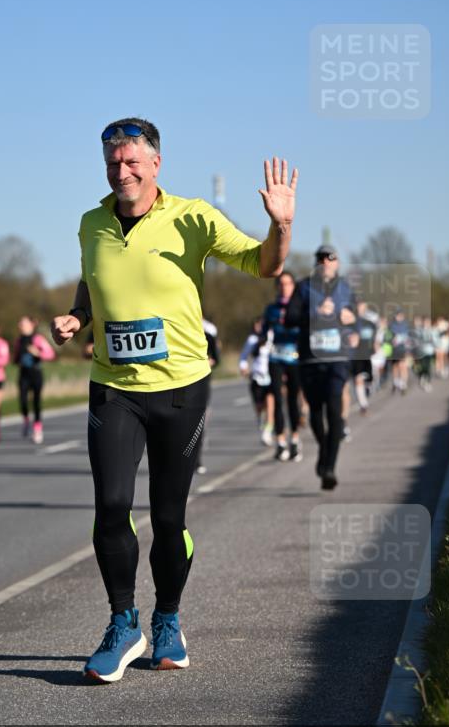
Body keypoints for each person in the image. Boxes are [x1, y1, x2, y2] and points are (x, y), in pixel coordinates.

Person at [51, 118, 298, 682]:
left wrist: (280, 226)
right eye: (114, 162)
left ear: (156, 164)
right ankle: (123, 623)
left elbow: (266, 264)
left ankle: (167, 619)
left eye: (133, 161)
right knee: (112, 506)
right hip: (113, 386)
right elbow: (94, 281)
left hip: (181, 388)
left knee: (167, 516)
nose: (123, 171)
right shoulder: (91, 223)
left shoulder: (193, 216)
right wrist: (78, 316)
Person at [285, 244, 357, 490]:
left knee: (335, 409)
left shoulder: (345, 288)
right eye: (321, 258)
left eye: (330, 258)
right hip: (310, 358)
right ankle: (324, 448)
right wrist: (313, 313)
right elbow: (289, 318)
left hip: (337, 359)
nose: (326, 262)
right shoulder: (304, 287)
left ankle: (329, 468)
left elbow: (354, 315)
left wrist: (352, 320)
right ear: (316, 262)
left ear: (337, 263)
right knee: (316, 409)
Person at [262, 272, 302, 461]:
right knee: (277, 399)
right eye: (282, 284)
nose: (285, 287)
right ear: (277, 287)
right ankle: (280, 441)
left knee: (293, 400)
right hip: (276, 358)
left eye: (288, 284)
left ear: (293, 287)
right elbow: (263, 333)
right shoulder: (271, 309)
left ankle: (294, 439)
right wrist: (262, 341)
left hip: (295, 358)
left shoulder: (300, 308)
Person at [13, 315, 56, 444]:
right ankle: (26, 420)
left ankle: (37, 429)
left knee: (36, 401)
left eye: (23, 323)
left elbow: (50, 354)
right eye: (20, 323)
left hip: (36, 373)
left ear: (32, 325)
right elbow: (15, 358)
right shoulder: (18, 340)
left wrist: (37, 353)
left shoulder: (37, 339)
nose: (21, 325)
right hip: (23, 374)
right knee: (23, 401)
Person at [239, 317, 274, 443]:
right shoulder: (252, 340)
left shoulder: (272, 337)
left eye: (261, 325)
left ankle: (267, 432)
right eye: (256, 325)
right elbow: (243, 356)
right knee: (259, 406)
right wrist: (244, 368)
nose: (258, 328)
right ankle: (261, 422)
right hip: (257, 377)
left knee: (270, 404)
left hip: (270, 376)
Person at [194, 316, 220, 475]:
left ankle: (197, 461)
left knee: (198, 420)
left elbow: (217, 359)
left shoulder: (207, 335)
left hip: (201, 381)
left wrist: (206, 362)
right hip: (178, 383)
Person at [351, 300, 379, 413]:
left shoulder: (370, 324)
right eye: (360, 307)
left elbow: (375, 339)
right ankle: (363, 404)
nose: (361, 309)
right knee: (358, 379)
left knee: (368, 379)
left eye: (364, 307)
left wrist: (376, 346)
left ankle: (367, 391)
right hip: (356, 355)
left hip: (368, 355)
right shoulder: (352, 323)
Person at [389, 308, 411, 393]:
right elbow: (388, 337)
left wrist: (409, 350)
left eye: (401, 315)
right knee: (395, 367)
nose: (399, 317)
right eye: (398, 315)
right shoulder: (391, 325)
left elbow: (409, 339)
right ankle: (395, 382)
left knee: (403, 366)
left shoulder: (406, 325)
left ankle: (403, 384)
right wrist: (392, 340)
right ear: (395, 316)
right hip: (394, 350)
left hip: (403, 349)